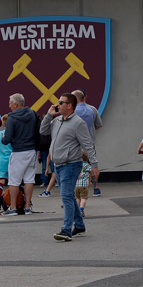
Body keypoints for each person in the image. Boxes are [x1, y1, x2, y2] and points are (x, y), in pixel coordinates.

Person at [40, 93, 98, 241]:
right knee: (70, 196)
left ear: (69, 105)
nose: (57, 105)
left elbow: (88, 144)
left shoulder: (78, 123)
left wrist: (94, 165)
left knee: (66, 196)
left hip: (71, 164)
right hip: (57, 164)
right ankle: (79, 225)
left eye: (61, 102)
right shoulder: (57, 120)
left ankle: (66, 230)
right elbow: (43, 131)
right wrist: (48, 115)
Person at [1, 93, 40, 216]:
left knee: (14, 181)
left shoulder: (12, 118)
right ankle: (27, 206)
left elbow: (7, 139)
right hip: (32, 150)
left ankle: (12, 208)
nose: (9, 105)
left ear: (15, 104)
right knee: (29, 179)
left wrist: (2, 138)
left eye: (10, 103)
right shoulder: (33, 114)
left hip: (18, 151)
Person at [72, 89, 104, 196]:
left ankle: (75, 190)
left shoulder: (72, 110)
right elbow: (99, 124)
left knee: (73, 166)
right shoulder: (93, 109)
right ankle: (95, 187)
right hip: (90, 143)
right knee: (92, 165)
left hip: (75, 144)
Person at [75, 152, 92, 216]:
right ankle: (81, 209)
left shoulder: (77, 165)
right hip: (84, 185)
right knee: (83, 198)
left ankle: (77, 210)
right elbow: (90, 175)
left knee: (77, 198)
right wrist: (90, 181)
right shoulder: (87, 165)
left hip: (76, 184)